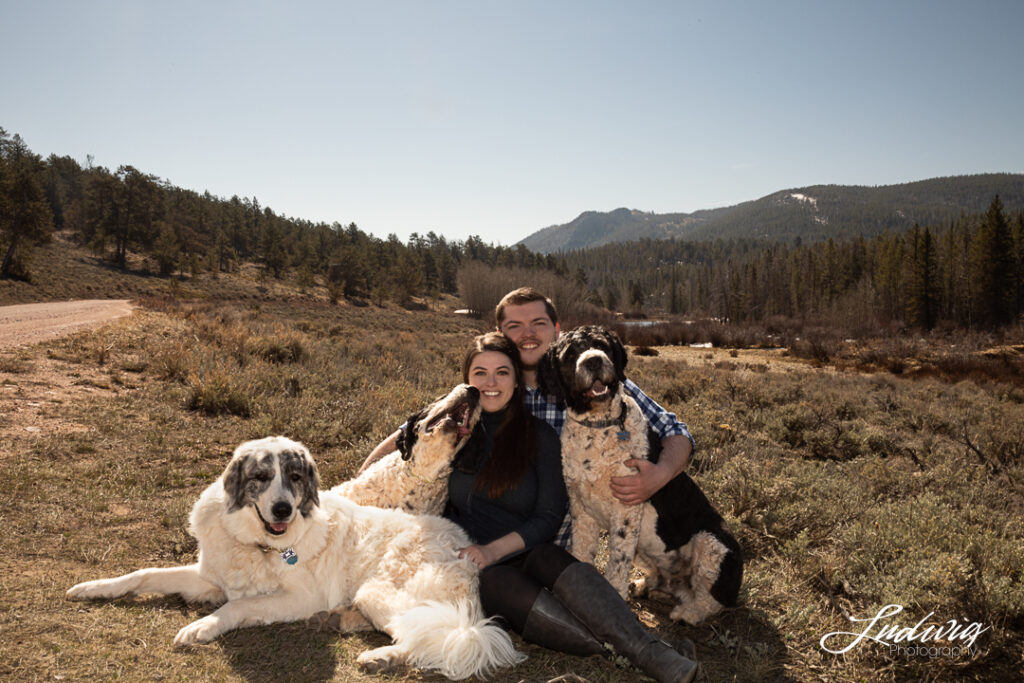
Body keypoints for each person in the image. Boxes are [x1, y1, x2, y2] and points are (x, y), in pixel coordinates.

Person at [449, 332, 698, 683]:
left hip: (526, 550)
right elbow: (401, 453)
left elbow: (548, 518)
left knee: (549, 557)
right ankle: (643, 651)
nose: (491, 383)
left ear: (517, 380)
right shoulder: (446, 429)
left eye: (502, 372)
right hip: (474, 564)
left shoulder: (542, 435)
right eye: (480, 373)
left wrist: (493, 550)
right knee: (496, 584)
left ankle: (652, 654)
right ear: (465, 379)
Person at [361, 287, 695, 511]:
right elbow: (412, 431)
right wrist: (358, 489)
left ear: (557, 329)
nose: (528, 334)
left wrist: (659, 475)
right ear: (500, 334)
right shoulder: (491, 388)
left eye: (538, 323)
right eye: (515, 326)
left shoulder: (596, 383)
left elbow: (675, 431)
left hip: (567, 537)